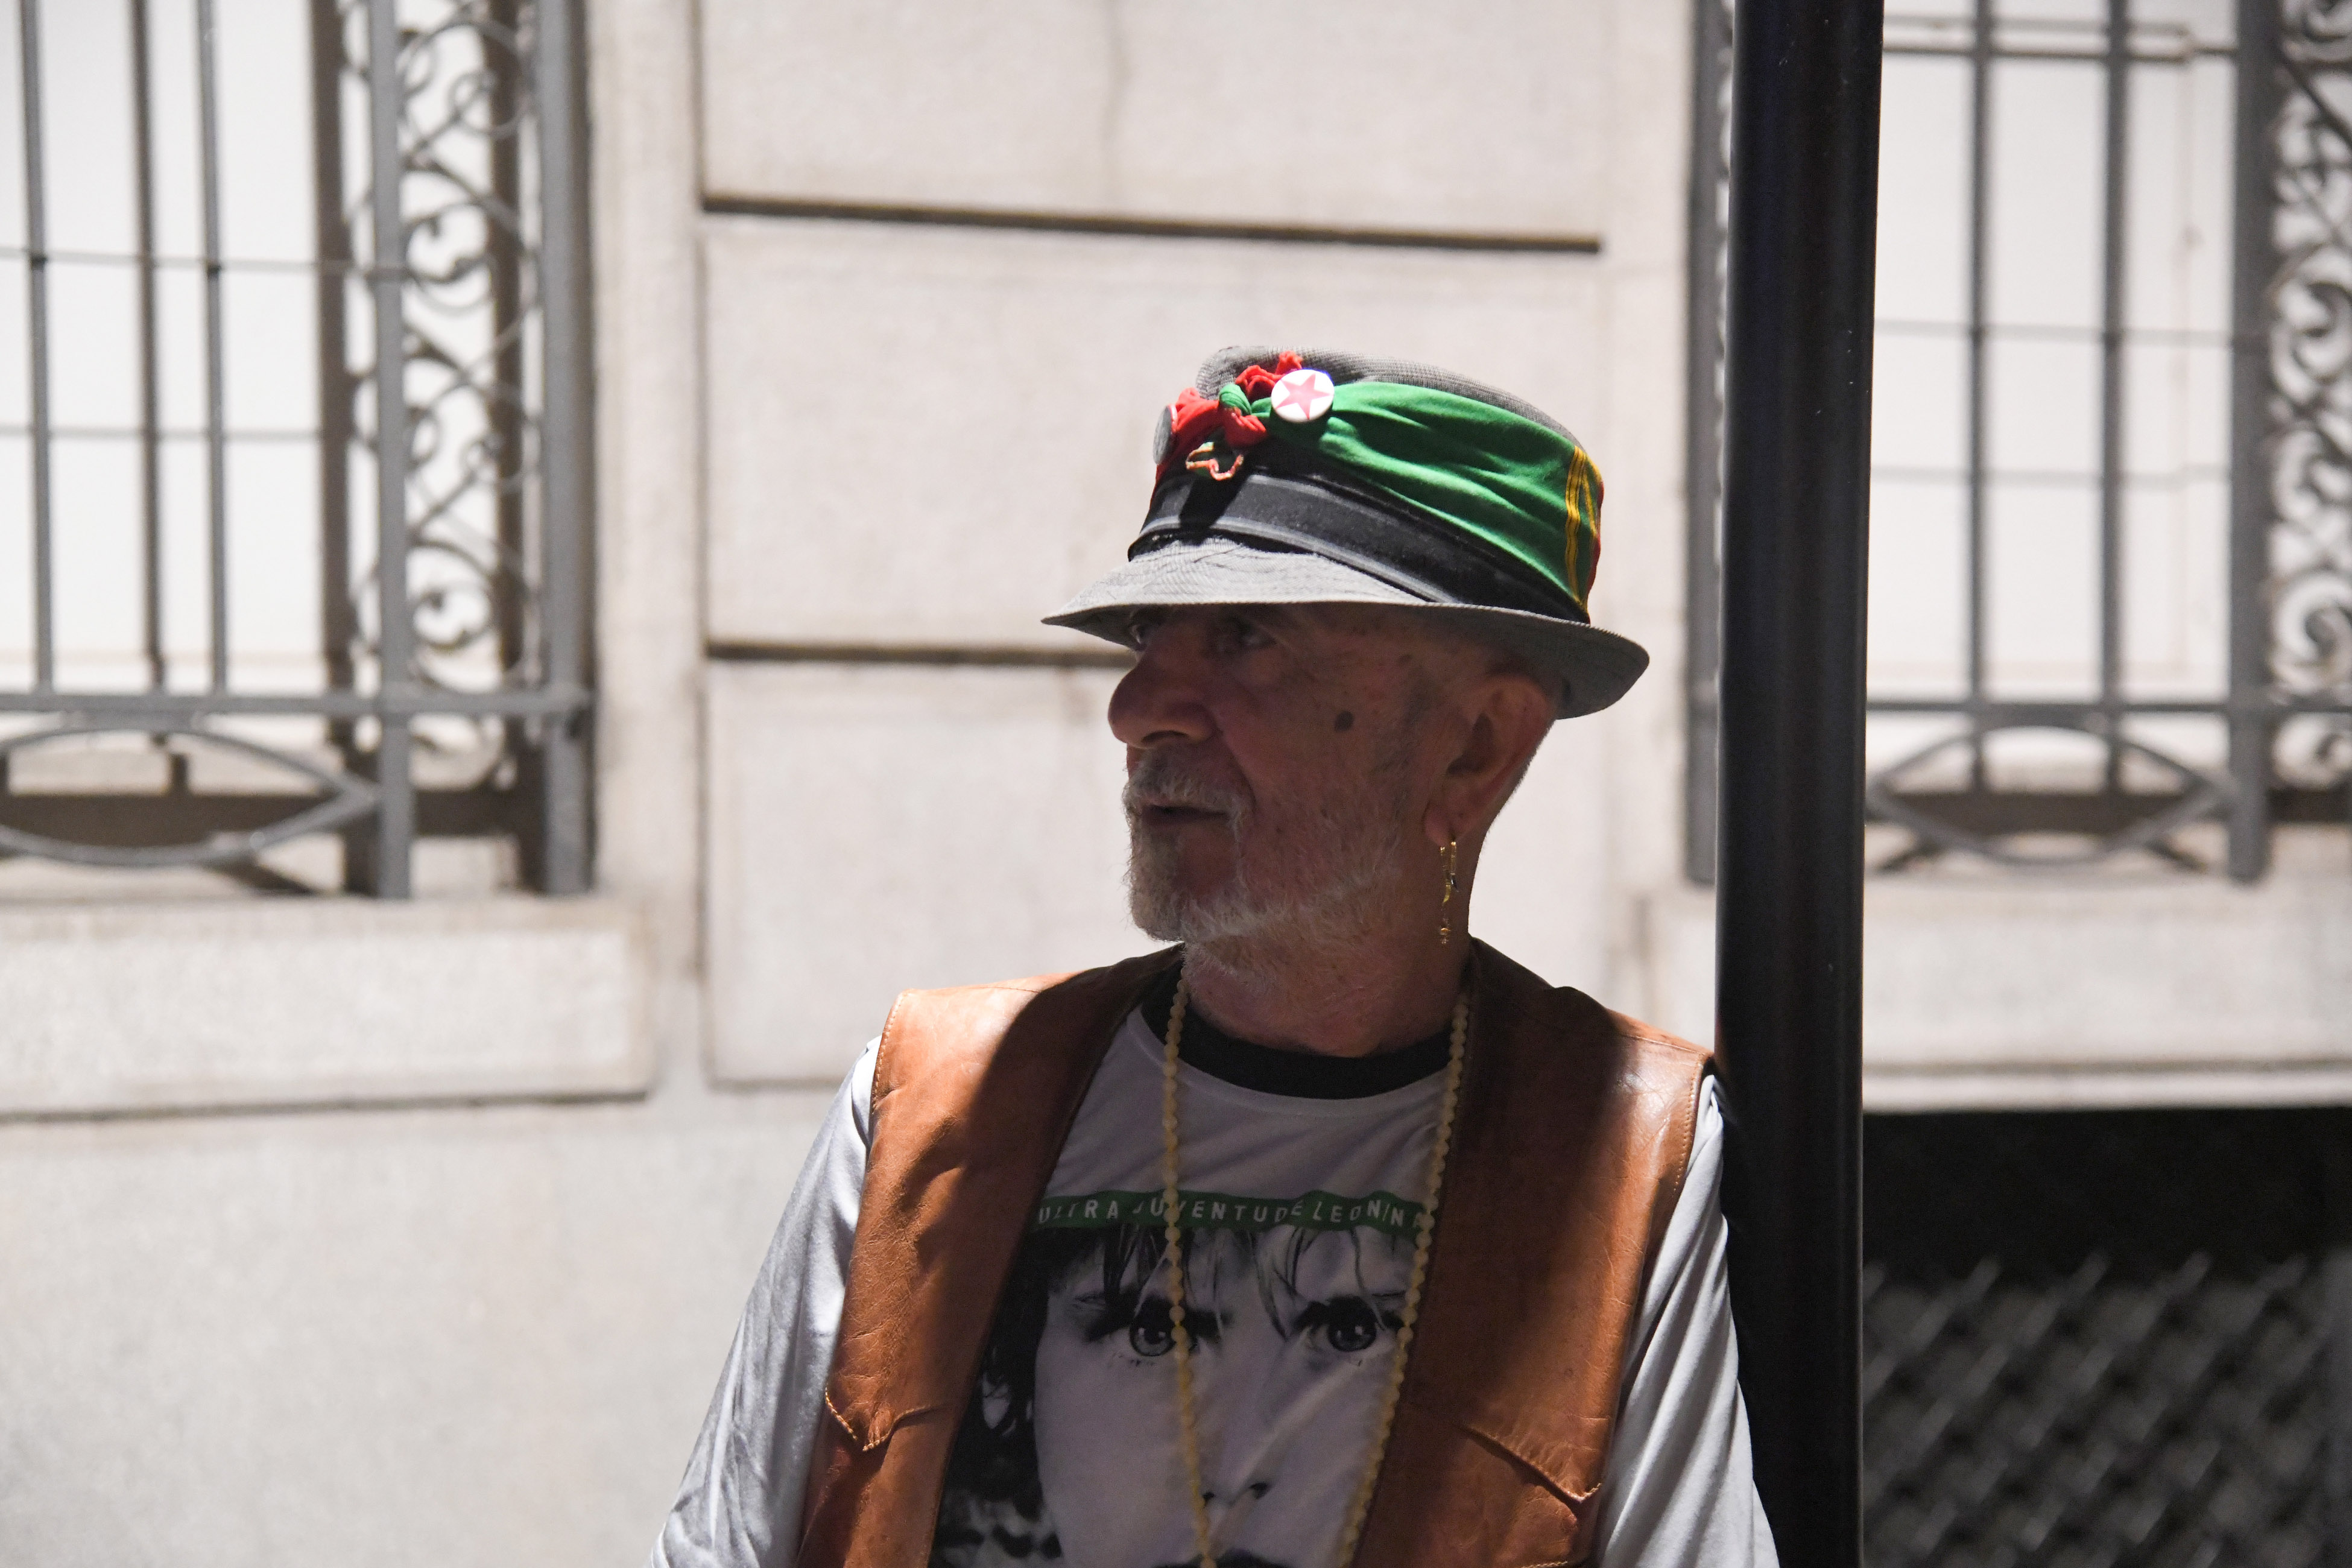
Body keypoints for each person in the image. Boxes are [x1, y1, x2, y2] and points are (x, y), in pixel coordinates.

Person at [649, 348, 1778, 1568]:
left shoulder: (1631, 1153)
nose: (1140, 710)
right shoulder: (928, 1103)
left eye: (1248, 638)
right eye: (1149, 633)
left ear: (1474, 746)